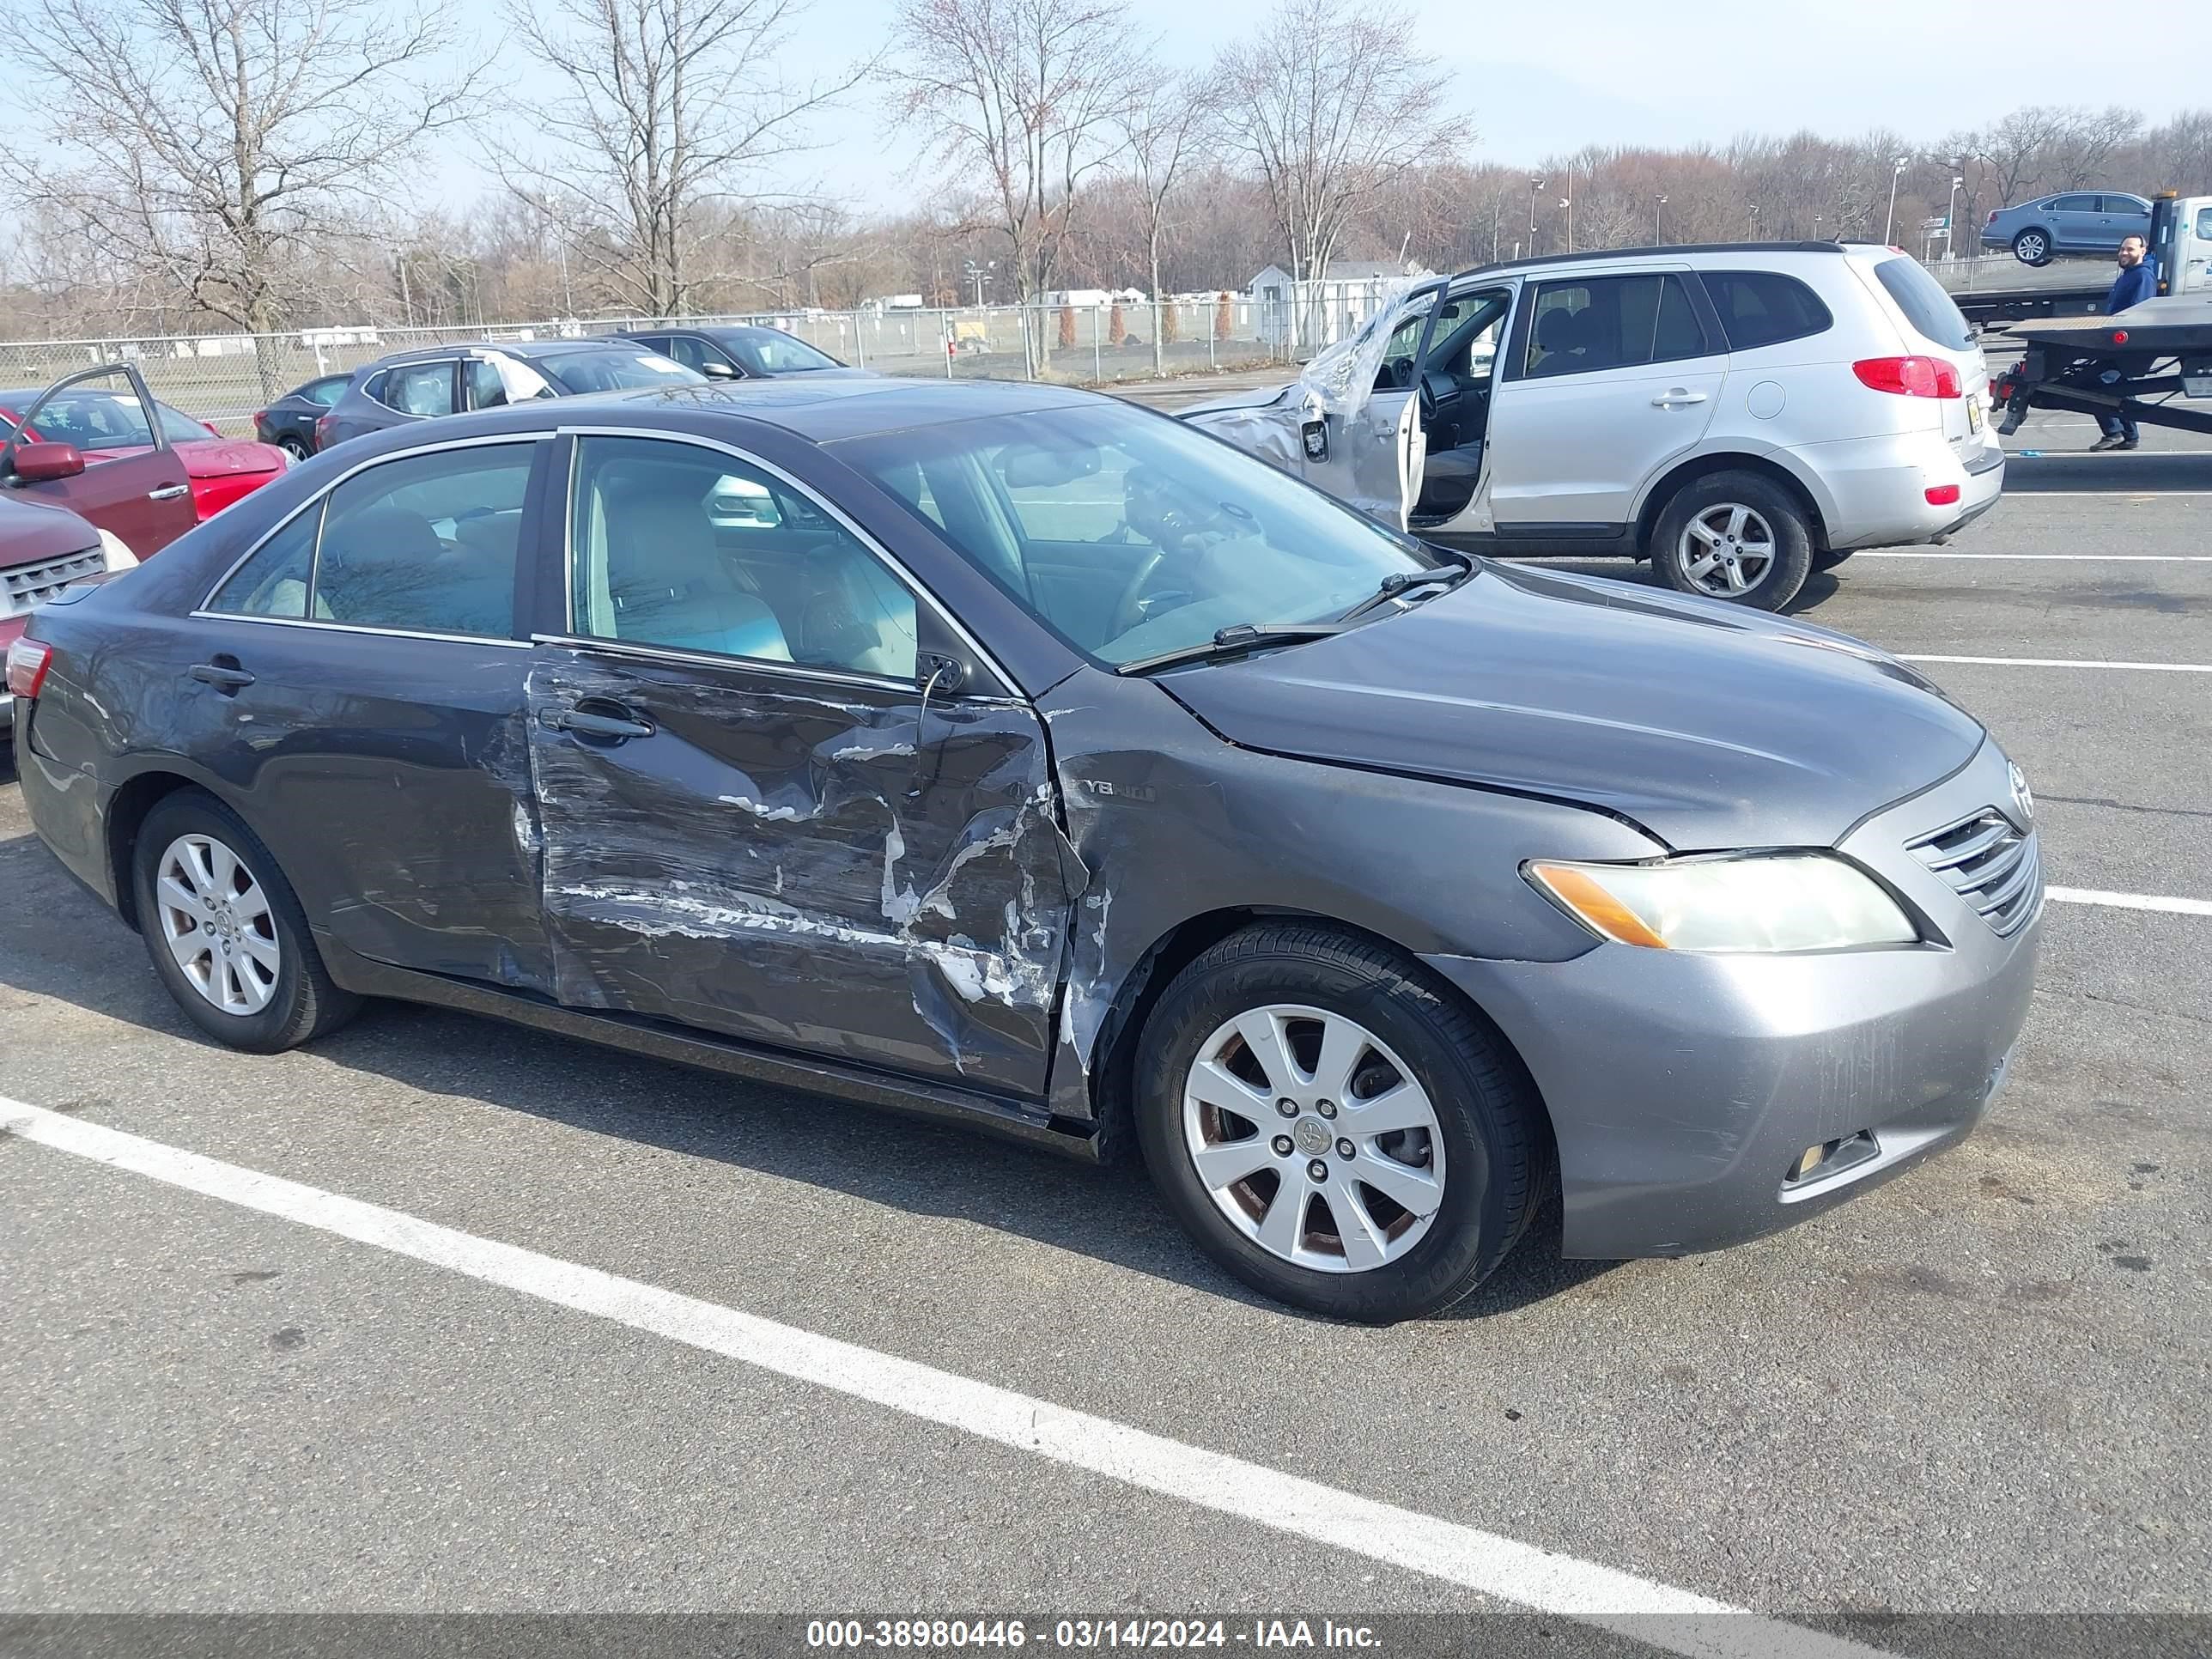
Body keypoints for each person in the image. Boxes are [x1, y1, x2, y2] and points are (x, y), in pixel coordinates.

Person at [2091, 234, 2157, 452]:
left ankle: (2114, 432)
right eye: (2122, 249)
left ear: (2143, 251)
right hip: (2114, 341)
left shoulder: (2143, 277)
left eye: (2130, 249)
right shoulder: (2128, 274)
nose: (2124, 253)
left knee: (2095, 383)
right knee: (2121, 387)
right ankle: (2130, 435)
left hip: (2125, 344)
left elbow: (2139, 311)